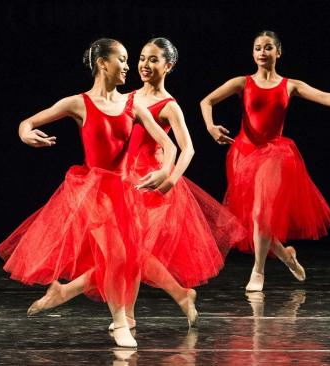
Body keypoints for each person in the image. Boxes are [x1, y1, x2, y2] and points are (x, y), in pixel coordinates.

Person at [0, 38, 177, 347]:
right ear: (101, 63)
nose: (127, 66)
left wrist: (164, 170)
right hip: (92, 191)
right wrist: (27, 134)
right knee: (117, 254)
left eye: (126, 60)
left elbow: (170, 145)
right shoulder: (79, 103)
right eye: (121, 59)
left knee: (126, 257)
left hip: (123, 191)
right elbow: (28, 121)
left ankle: (64, 293)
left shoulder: (133, 106)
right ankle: (120, 322)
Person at [200, 30, 330, 291]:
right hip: (243, 154)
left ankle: (258, 271)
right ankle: (287, 255)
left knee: (260, 212)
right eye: (257, 48)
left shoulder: (290, 85)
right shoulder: (242, 83)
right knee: (251, 220)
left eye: (268, 48)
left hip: (275, 153)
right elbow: (206, 101)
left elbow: (323, 96)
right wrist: (210, 127)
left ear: (278, 52)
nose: (262, 53)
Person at [116, 37, 245, 329]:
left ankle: (134, 313)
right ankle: (173, 299)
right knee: (130, 250)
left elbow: (187, 148)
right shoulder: (128, 97)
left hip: (151, 180)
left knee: (133, 249)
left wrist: (170, 180)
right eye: (142, 58)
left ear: (168, 65)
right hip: (124, 178)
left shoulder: (169, 105)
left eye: (153, 59)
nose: (144, 65)